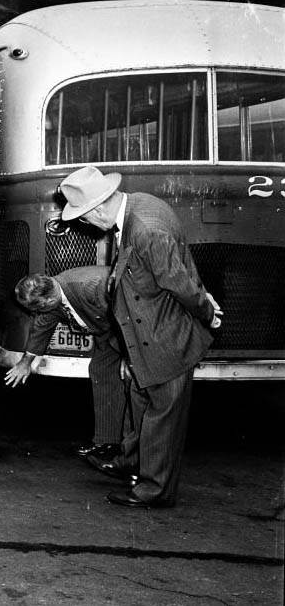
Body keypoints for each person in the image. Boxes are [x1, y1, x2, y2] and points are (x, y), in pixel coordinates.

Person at [59, 165, 222, 508]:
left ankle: (154, 490)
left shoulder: (146, 229)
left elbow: (180, 284)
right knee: (141, 399)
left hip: (166, 338)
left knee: (162, 413)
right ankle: (131, 462)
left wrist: (208, 312)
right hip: (149, 333)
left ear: (99, 208)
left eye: (85, 219)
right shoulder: (139, 206)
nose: (87, 226)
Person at [6, 267, 127, 466]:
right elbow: (42, 325)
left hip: (131, 329)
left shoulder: (92, 289)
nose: (35, 314)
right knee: (101, 371)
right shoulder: (54, 292)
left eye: (35, 309)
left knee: (135, 382)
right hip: (108, 330)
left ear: (48, 301)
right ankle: (107, 443)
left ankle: (131, 452)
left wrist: (128, 356)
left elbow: (128, 319)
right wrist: (25, 363)